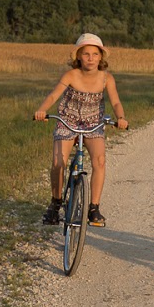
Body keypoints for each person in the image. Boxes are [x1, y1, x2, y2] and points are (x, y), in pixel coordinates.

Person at [32, 33, 128, 227]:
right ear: (78, 57)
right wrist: (42, 110)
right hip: (67, 121)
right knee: (58, 162)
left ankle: (94, 208)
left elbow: (116, 101)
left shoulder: (106, 78)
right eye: (86, 54)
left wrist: (120, 118)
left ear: (101, 57)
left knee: (99, 161)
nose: (90, 58)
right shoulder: (71, 75)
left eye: (95, 54)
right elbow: (53, 96)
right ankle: (55, 203)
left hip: (93, 123)